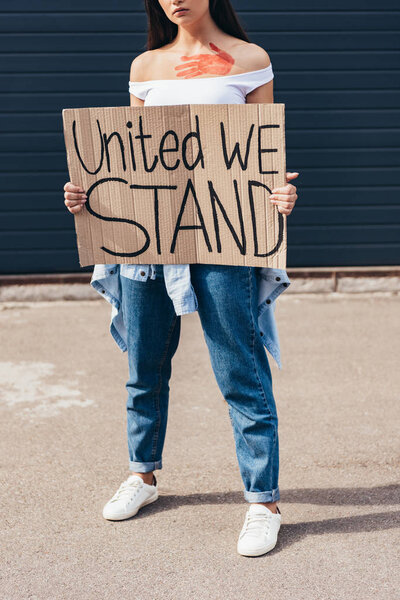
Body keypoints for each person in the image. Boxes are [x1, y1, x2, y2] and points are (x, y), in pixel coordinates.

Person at [63, 0, 298, 557]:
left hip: (223, 239)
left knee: (240, 369)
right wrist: (88, 199)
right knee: (143, 366)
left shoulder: (248, 59)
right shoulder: (145, 67)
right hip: (150, 240)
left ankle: (263, 502)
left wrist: (282, 195)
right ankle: (142, 475)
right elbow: (129, 164)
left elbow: (263, 157)